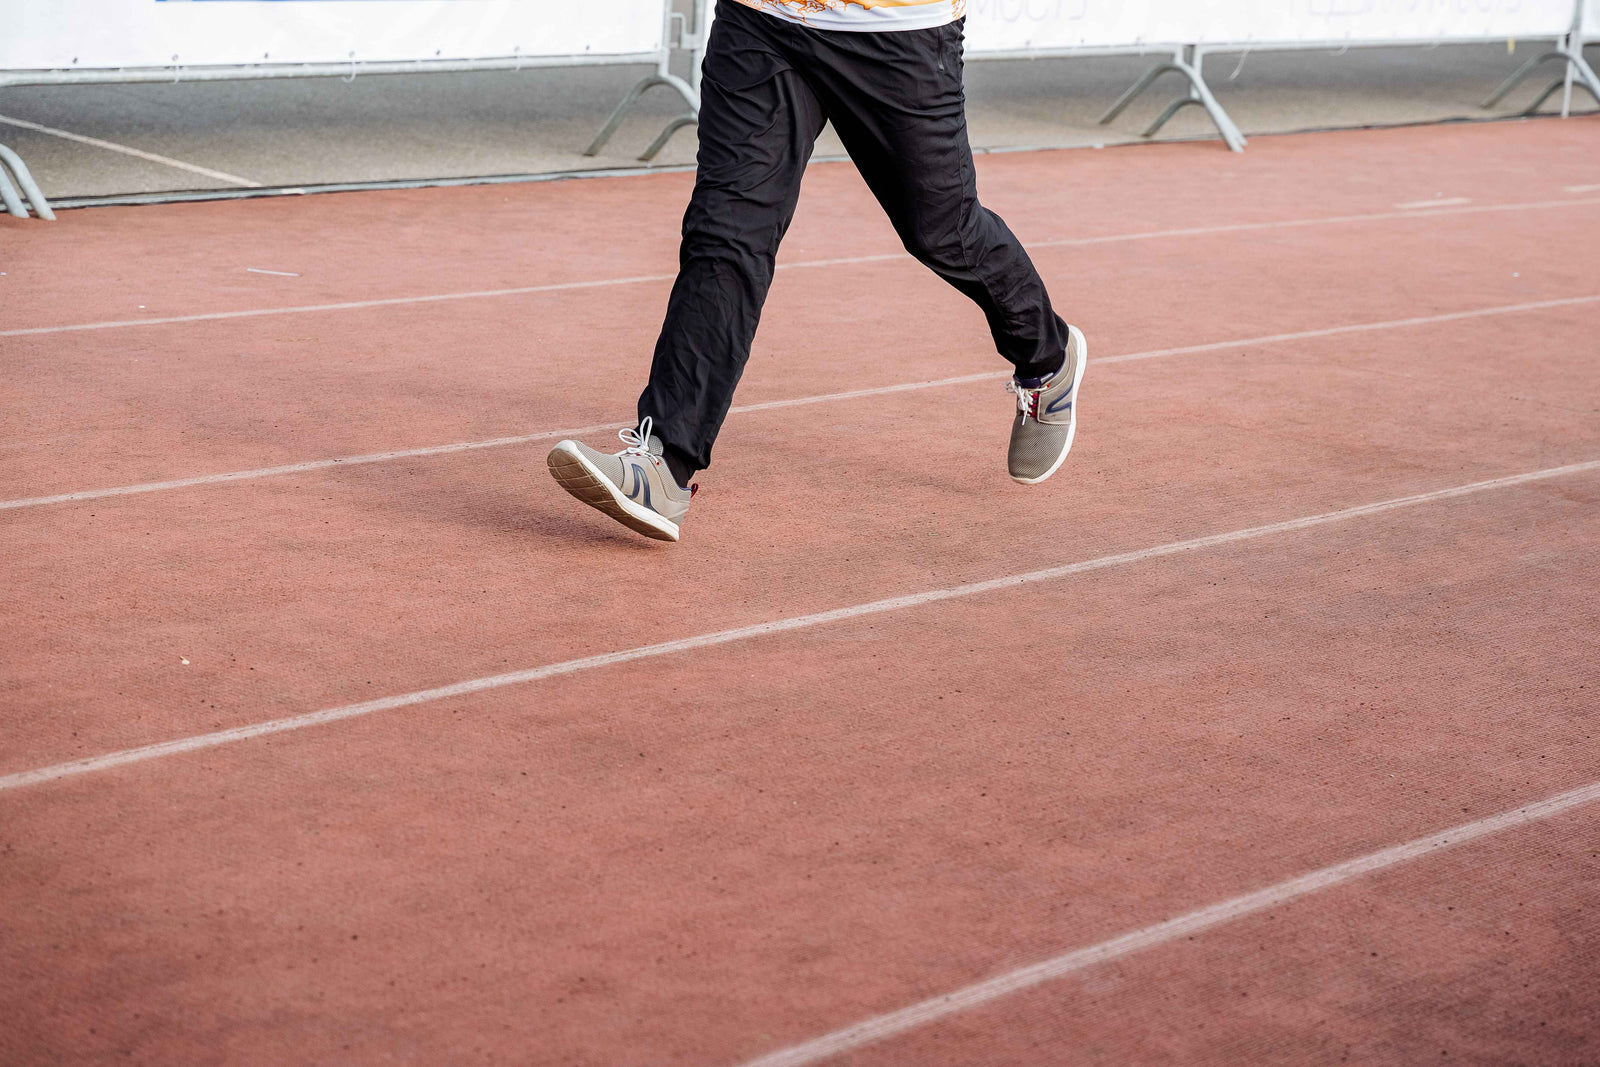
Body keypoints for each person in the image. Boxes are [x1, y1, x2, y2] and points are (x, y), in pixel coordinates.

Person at [547, 0, 1086, 542]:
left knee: (943, 231)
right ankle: (664, 466)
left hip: (893, 31)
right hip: (761, 19)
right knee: (725, 235)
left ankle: (1045, 358)